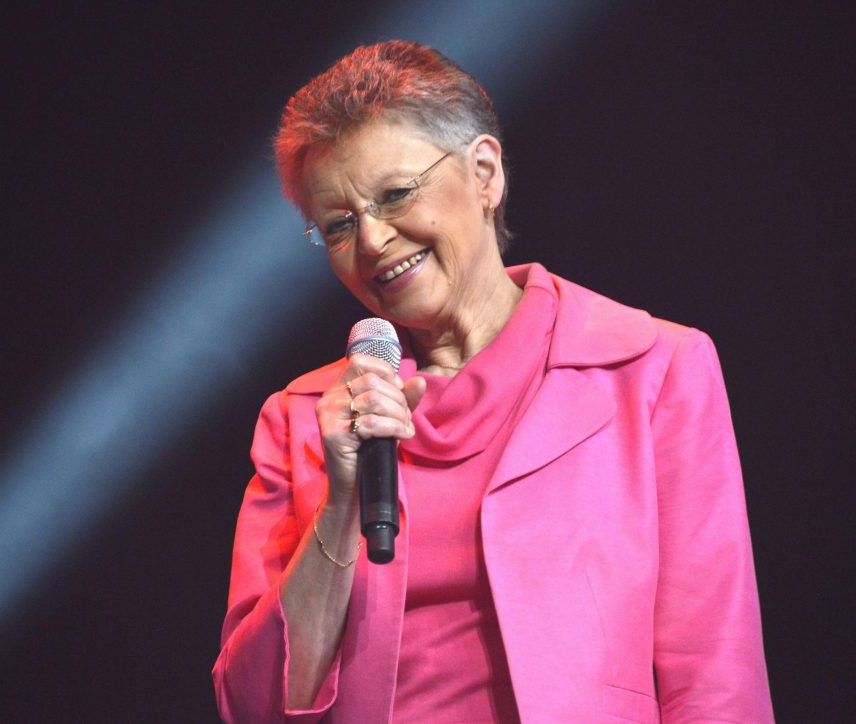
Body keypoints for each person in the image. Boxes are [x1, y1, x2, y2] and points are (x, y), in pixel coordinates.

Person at [212, 40, 773, 723]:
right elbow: (253, 705)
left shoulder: (650, 369)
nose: (372, 241)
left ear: (484, 172)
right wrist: (341, 505)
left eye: (394, 195)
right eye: (338, 225)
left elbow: (715, 673)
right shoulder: (304, 420)